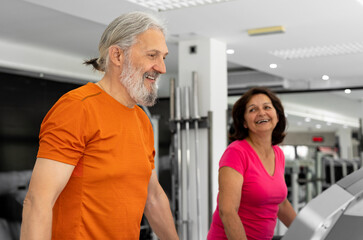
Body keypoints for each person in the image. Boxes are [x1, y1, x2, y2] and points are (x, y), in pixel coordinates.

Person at [20, 11, 179, 240]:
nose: (162, 67)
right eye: (152, 55)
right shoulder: (77, 108)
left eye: (163, 57)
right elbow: (38, 200)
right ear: (117, 55)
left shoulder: (142, 120)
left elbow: (152, 195)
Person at [207, 87, 296, 240]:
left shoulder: (277, 154)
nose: (262, 113)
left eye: (267, 107)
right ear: (244, 123)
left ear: (277, 115)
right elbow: (227, 211)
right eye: (253, 110)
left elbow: (280, 203)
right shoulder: (236, 153)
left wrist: (311, 233)